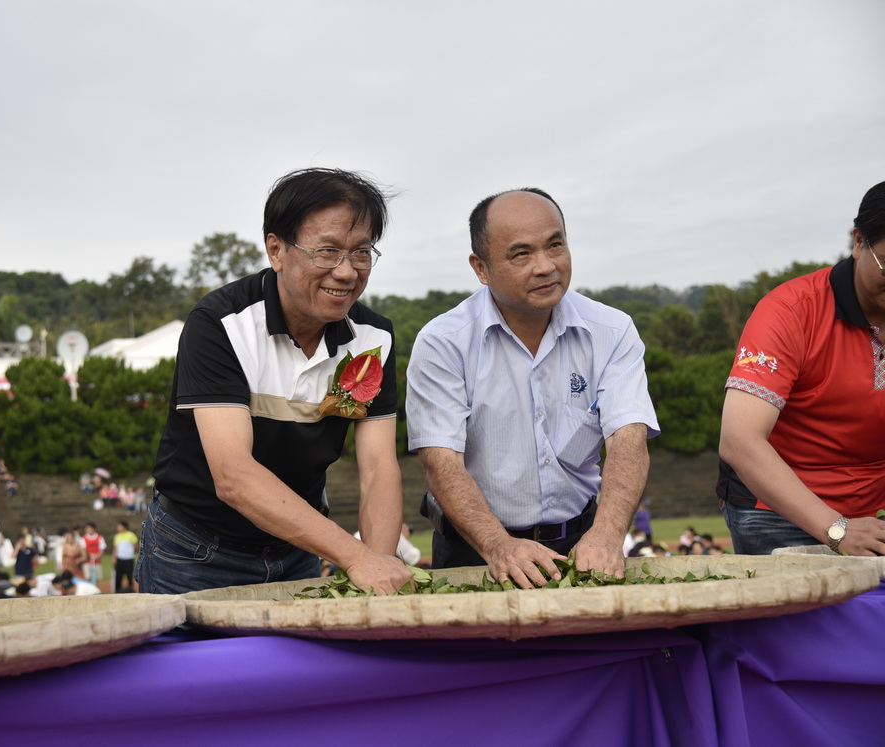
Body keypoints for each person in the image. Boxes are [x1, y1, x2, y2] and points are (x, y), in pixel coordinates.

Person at [137, 168, 413, 596]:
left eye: (361, 252)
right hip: (194, 550)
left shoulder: (374, 339)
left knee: (296, 665)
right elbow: (233, 473)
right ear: (276, 250)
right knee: (190, 664)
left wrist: (376, 569)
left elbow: (378, 468)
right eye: (327, 252)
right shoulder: (220, 325)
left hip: (298, 547)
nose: (346, 272)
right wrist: (356, 557)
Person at [406, 188, 659, 588]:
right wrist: (500, 547)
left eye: (555, 245)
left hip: (583, 543)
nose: (546, 266)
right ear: (481, 267)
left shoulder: (612, 330)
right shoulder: (444, 341)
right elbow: (441, 463)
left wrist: (608, 535)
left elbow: (629, 438)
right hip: (475, 548)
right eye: (521, 254)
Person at [718, 181, 885, 556]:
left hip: (870, 512)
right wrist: (837, 530)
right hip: (775, 510)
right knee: (804, 612)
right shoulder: (791, 311)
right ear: (859, 242)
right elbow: (740, 441)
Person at [112, 521, 138, 593]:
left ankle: (130, 590)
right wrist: (114, 558)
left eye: (119, 526)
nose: (118, 528)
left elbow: (136, 546)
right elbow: (115, 548)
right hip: (120, 559)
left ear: (124, 527)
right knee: (118, 576)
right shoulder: (117, 536)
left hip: (129, 559)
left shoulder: (131, 535)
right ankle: (118, 590)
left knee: (129, 575)